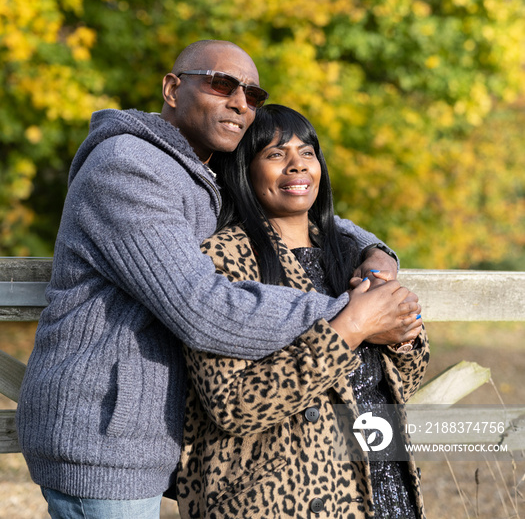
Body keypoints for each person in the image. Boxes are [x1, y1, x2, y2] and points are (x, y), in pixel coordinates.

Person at [16, 40, 400, 519]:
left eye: (253, 94)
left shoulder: (202, 172)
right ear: (173, 89)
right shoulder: (127, 167)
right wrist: (352, 313)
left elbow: (302, 204)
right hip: (100, 436)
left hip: (148, 436)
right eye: (222, 84)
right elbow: (203, 308)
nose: (240, 102)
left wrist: (374, 254)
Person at [176, 104, 429, 519]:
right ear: (244, 169)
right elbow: (234, 406)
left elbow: (406, 379)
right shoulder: (221, 258)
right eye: (275, 154)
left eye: (307, 152)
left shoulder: (351, 254)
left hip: (383, 486)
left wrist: (406, 336)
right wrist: (352, 328)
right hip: (284, 498)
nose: (297, 165)